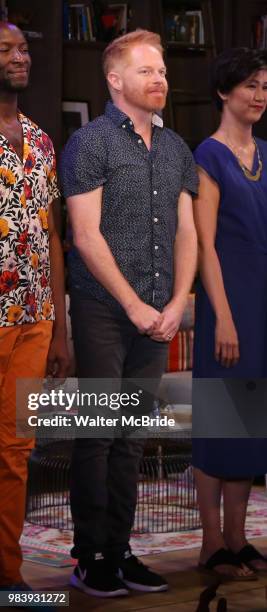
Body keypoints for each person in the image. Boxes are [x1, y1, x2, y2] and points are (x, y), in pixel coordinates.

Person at [60, 29, 198, 598]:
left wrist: (175, 303)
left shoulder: (176, 149)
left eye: (162, 69)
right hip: (102, 310)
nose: (160, 78)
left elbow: (188, 232)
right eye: (147, 70)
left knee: (133, 437)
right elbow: (86, 236)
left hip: (159, 313)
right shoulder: (89, 144)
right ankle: (88, 556)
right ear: (115, 80)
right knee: (95, 433)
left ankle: (120, 552)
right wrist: (135, 305)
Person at [192, 47, 267, 580]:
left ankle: (239, 539)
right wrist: (221, 315)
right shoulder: (208, 155)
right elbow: (204, 245)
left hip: (262, 303)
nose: (260, 95)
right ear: (224, 92)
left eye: (265, 86)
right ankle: (211, 541)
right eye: (250, 86)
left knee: (252, 424)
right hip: (228, 302)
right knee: (222, 421)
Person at [0, 22, 69, 591]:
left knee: (17, 450)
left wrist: (60, 327)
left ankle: (8, 574)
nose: (20, 57)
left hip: (35, 318)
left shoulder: (41, 139)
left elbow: (52, 236)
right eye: (6, 50)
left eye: (23, 48)